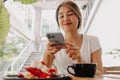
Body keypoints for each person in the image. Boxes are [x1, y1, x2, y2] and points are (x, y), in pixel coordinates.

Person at [42, 0, 103, 75]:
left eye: (70, 14)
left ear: (78, 17)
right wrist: (47, 54)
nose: (65, 19)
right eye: (61, 16)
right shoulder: (54, 44)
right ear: (58, 21)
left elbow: (100, 73)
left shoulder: (92, 41)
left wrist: (80, 60)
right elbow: (42, 72)